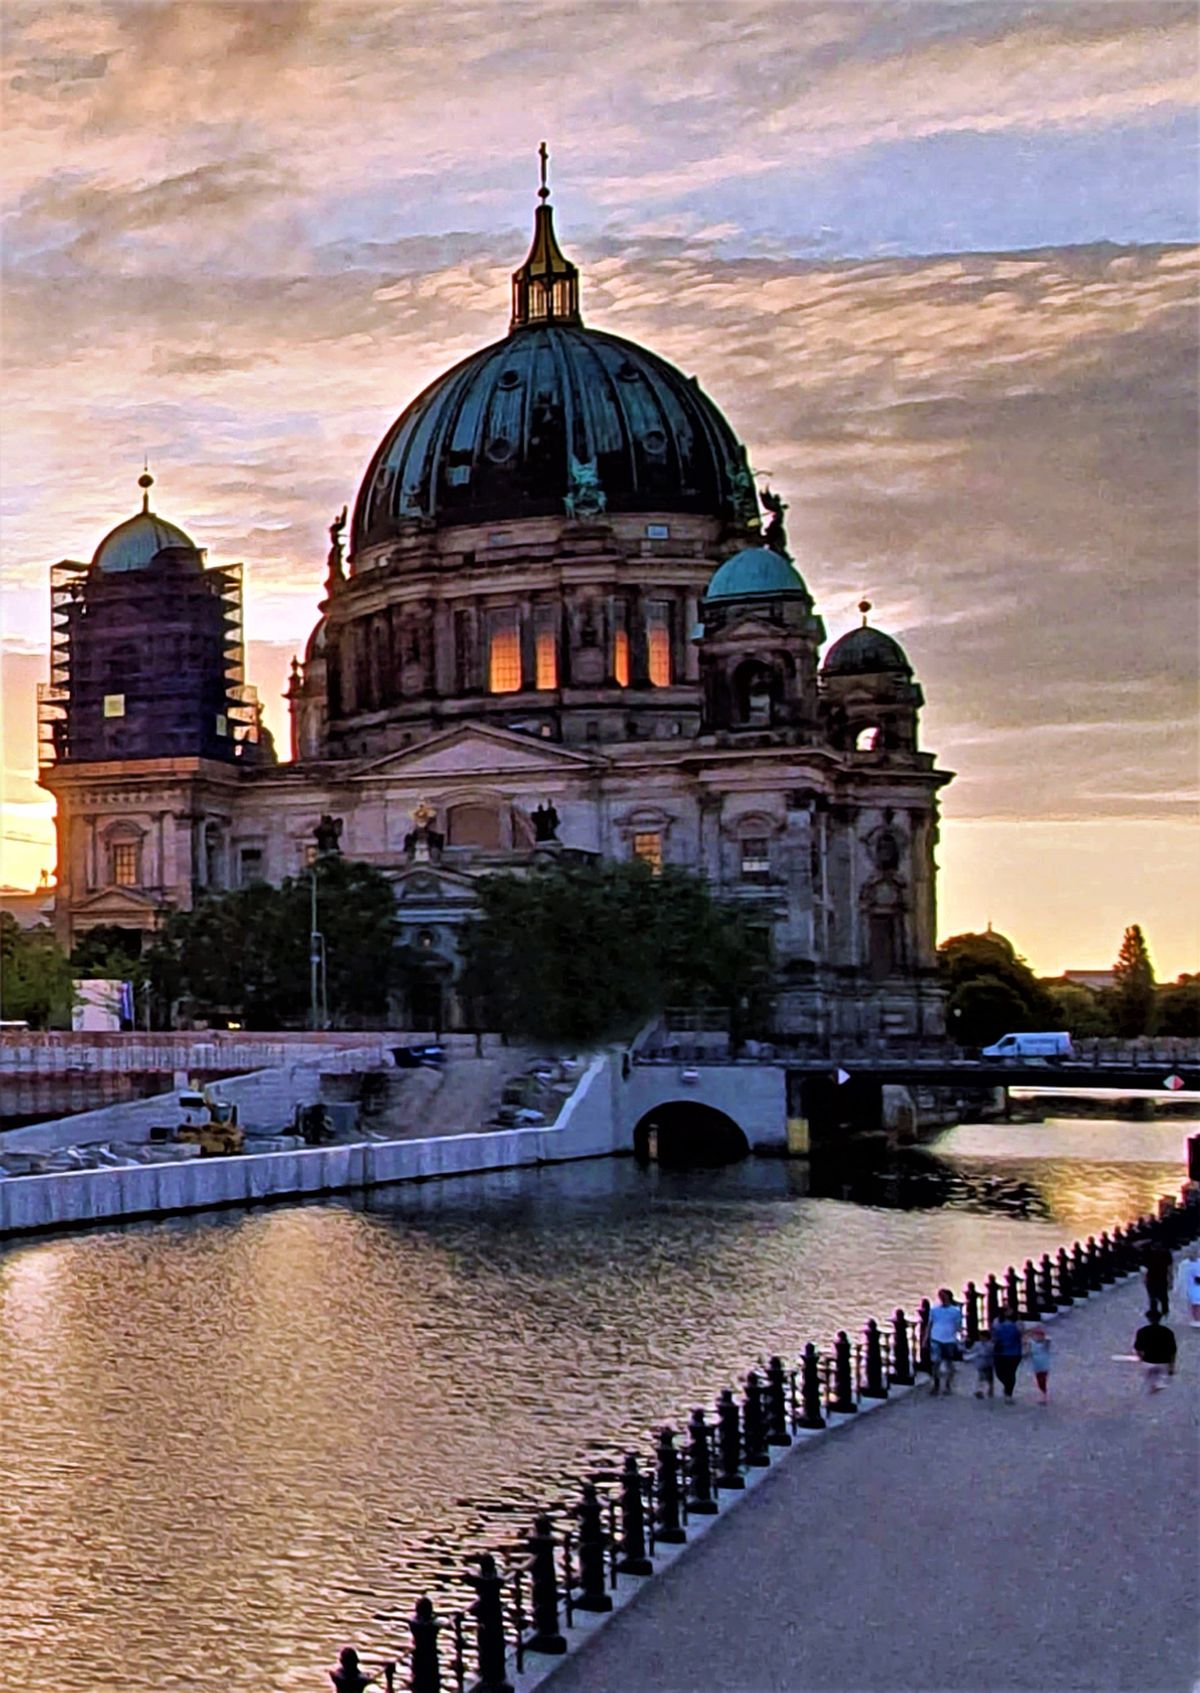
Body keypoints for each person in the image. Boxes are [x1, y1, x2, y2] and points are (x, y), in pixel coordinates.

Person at [924, 1287, 964, 1396]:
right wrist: (926, 1339)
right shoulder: (934, 1310)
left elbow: (959, 1325)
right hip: (936, 1338)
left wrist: (961, 1337)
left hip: (949, 1339)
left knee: (948, 1363)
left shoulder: (955, 1311)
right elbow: (930, 1325)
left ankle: (947, 1385)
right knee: (935, 1363)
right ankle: (936, 1385)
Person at [1133, 1308, 1177, 1394]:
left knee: (1147, 1379)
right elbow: (1173, 1350)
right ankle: (1158, 1386)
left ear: (1148, 1319)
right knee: (1164, 1379)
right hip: (1163, 1361)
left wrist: (1141, 1358)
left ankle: (1149, 1389)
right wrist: (1172, 1366)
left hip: (1148, 1361)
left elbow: (1138, 1348)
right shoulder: (1167, 1332)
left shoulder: (1142, 1331)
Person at [991, 1307, 1024, 1402]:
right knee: (999, 1372)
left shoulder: (1018, 1323)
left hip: (1013, 1352)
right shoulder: (996, 1322)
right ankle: (1007, 1386)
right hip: (999, 1351)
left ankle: (1008, 1393)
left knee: (1010, 1373)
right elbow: (993, 1335)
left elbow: (1021, 1334)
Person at [1143, 1239, 1173, 1317]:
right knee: (1163, 1298)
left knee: (1153, 1298)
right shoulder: (1166, 1253)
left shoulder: (1150, 1254)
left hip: (1152, 1278)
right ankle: (1165, 1313)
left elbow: (1145, 1268)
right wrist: (1171, 1280)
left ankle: (1155, 1314)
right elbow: (1170, 1268)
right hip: (1161, 1277)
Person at [1174, 1249, 1200, 1327]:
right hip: (1189, 1286)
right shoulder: (1184, 1264)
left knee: (1197, 1303)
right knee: (1193, 1303)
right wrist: (1177, 1286)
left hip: (1197, 1286)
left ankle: (1197, 1318)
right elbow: (1180, 1276)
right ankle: (1195, 1318)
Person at [1027, 1324, 1052, 1404]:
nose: (1038, 1337)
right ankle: (1042, 1394)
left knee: (1042, 1380)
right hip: (1036, 1365)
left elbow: (1048, 1340)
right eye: (1037, 1335)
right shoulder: (1032, 1343)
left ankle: (1044, 1396)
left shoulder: (1045, 1344)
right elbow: (1026, 1340)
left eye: (1039, 1335)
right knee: (1039, 1380)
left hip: (1044, 1365)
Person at [966, 1330, 994, 1398]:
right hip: (980, 1364)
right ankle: (980, 1390)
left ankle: (990, 1389)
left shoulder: (991, 1345)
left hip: (988, 1363)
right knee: (981, 1377)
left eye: (982, 1337)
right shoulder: (977, 1344)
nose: (981, 1338)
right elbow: (971, 1351)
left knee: (989, 1378)